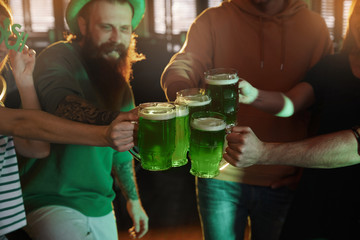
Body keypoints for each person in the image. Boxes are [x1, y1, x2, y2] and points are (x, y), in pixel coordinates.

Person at [161, 0, 333, 239]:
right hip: (219, 172)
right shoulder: (213, 19)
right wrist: (181, 93)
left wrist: (306, 170)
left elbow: (320, 101)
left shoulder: (314, 26)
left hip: (281, 176)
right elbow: (184, 64)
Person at [0, 1, 139, 239]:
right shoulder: (59, 56)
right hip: (50, 201)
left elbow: (35, 147)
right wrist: (104, 133)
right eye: (107, 26)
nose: (6, 43)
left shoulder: (119, 83)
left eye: (7, 32)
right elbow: (40, 115)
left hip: (97, 203)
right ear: (83, 25)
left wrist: (24, 82)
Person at [226, 1, 360, 239]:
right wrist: (254, 95)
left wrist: (263, 153)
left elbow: (355, 146)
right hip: (315, 196)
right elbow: (291, 103)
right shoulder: (334, 65)